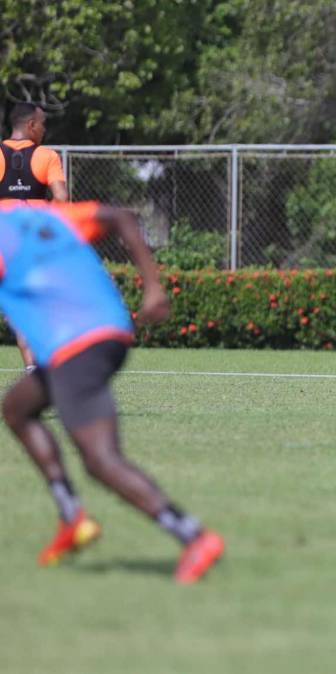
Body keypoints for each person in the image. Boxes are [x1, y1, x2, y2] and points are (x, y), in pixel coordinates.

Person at [0, 200, 224, 583]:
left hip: (75, 344)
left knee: (101, 461)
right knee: (17, 408)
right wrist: (153, 288)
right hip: (110, 330)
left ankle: (194, 537)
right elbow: (122, 216)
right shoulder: (43, 216)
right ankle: (72, 516)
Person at [0, 102, 69, 372]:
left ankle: (34, 370)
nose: (44, 130)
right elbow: (62, 199)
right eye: (42, 124)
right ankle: (35, 369)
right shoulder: (47, 156)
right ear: (30, 126)